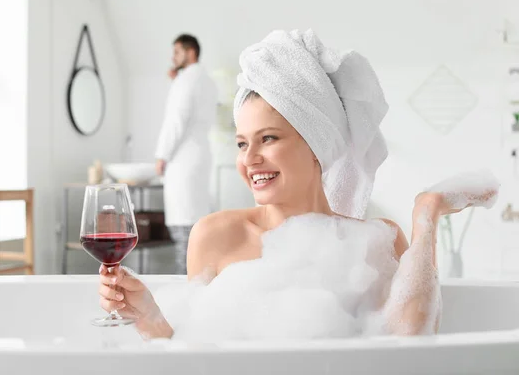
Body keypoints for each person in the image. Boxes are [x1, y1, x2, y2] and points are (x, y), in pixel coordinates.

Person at [99, 30, 496, 339]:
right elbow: (194, 357)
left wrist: (425, 216)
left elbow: (412, 346)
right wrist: (149, 318)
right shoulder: (216, 235)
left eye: (268, 138)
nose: (249, 158)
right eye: (242, 143)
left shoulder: (377, 242)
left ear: (316, 145)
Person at [154, 34, 218, 275]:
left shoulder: (186, 80)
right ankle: (197, 281)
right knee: (196, 225)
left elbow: (176, 121)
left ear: (191, 52)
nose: (173, 57)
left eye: (177, 52)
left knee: (184, 230)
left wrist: (162, 155)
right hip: (200, 154)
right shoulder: (207, 80)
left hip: (182, 158)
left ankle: (185, 284)